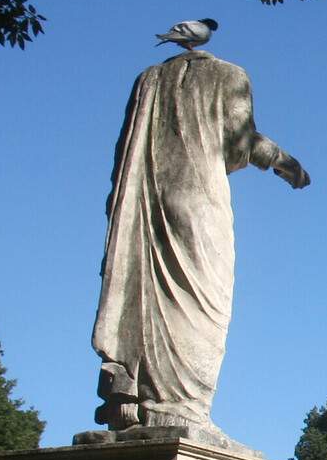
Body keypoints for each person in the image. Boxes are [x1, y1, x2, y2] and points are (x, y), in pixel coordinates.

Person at [92, 28, 309, 435]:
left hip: (144, 199)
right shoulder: (230, 76)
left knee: (145, 287)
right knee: (201, 300)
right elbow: (238, 144)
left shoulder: (148, 81)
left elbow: (125, 150)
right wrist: (285, 162)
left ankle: (133, 388)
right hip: (197, 198)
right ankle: (180, 405)